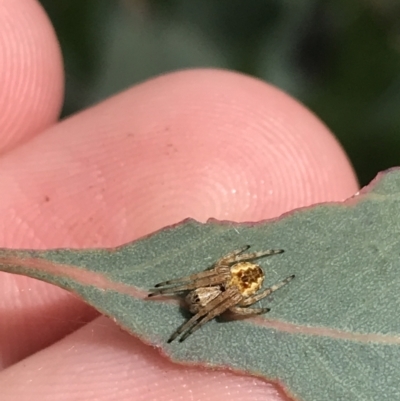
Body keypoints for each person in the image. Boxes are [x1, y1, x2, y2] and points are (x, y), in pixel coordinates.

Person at [0, 1, 358, 400]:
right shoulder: (220, 280)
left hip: (235, 283)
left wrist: (236, 303)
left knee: (207, 293)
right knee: (199, 286)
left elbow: (229, 296)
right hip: (231, 279)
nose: (201, 299)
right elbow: (213, 279)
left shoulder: (228, 289)